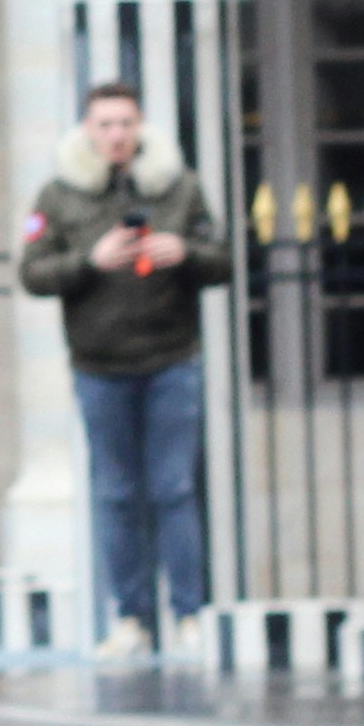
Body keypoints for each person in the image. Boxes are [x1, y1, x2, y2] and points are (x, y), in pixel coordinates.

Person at [22, 80, 230, 657]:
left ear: (141, 128)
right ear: (88, 130)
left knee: (174, 487)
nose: (116, 134)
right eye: (105, 124)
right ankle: (131, 619)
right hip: (99, 364)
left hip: (171, 358)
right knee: (115, 493)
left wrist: (185, 252)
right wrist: (89, 262)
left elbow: (224, 260)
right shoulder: (60, 195)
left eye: (125, 123)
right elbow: (32, 273)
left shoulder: (178, 188)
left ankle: (190, 615)